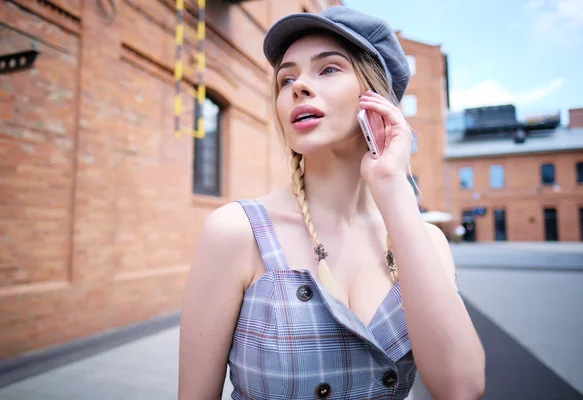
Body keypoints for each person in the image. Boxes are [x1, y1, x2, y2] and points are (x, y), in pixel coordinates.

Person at [179, 6, 485, 400]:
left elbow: (461, 388)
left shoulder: (426, 241)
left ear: (376, 99)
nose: (298, 86)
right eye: (286, 78)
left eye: (328, 69)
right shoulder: (237, 231)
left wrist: (393, 188)